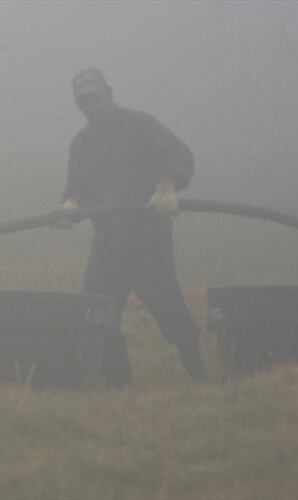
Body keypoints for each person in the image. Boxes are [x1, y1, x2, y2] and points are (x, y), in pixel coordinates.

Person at [55, 68, 206, 385]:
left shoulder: (140, 125)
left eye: (95, 98)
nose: (90, 105)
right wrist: (70, 205)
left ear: (109, 95)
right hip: (108, 242)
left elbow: (179, 154)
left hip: (147, 239)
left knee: (171, 313)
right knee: (96, 315)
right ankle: (118, 387)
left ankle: (201, 379)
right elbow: (76, 186)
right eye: (83, 100)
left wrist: (167, 185)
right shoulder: (81, 144)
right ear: (77, 104)